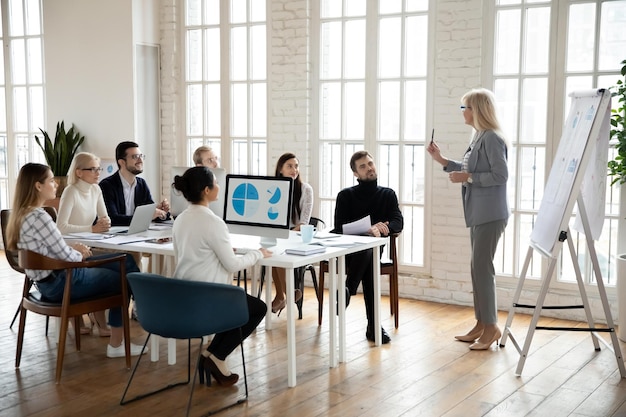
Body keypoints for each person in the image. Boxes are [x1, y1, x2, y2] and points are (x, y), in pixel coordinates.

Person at [6, 163, 145, 358]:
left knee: (126, 260)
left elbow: (52, 249)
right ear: (38, 186)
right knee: (124, 277)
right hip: (61, 283)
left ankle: (141, 306)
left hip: (45, 283)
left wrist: (72, 249)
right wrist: (79, 251)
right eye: (51, 180)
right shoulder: (40, 217)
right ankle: (118, 343)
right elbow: (67, 257)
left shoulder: (23, 214)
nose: (55, 184)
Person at [171, 166, 271, 387]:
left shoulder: (180, 219)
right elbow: (233, 265)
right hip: (209, 299)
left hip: (184, 296)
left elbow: (187, 255)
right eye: (215, 183)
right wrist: (258, 253)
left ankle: (213, 357)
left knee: (237, 301)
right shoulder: (213, 222)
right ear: (207, 190)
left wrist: (221, 251)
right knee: (258, 308)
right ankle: (216, 356)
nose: (219, 186)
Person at [427, 88, 509, 350]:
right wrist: (440, 159)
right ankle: (481, 323)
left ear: (478, 110)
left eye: (466, 107)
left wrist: (468, 178)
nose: (463, 112)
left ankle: (492, 327)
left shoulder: (493, 138)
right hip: (478, 213)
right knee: (477, 269)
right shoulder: (479, 136)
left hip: (491, 214)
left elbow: (500, 175)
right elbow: (467, 169)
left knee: (482, 269)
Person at [332, 150, 404, 344]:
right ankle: (373, 327)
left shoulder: (387, 194)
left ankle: (348, 289)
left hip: (371, 251)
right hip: (347, 252)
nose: (369, 168)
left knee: (369, 252)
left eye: (370, 163)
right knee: (368, 254)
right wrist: (365, 229)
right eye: (363, 166)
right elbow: (339, 227)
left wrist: (384, 227)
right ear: (356, 173)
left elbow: (398, 222)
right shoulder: (345, 195)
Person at [57, 152, 112, 337]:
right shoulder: (70, 191)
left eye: (98, 169)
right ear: (79, 172)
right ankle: (96, 320)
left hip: (89, 244)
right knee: (107, 267)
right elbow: (61, 228)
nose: (98, 173)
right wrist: (92, 228)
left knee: (115, 262)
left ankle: (99, 319)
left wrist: (105, 224)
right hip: (70, 248)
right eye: (93, 169)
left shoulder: (96, 189)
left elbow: (104, 218)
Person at [270, 153, 313, 314]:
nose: (294, 170)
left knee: (276, 250)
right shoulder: (273, 188)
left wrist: (285, 235)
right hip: (279, 237)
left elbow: (304, 223)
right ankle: (286, 294)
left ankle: (282, 295)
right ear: (280, 169)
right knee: (273, 250)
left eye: (296, 166)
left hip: (297, 238)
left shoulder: (305, 189)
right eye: (289, 166)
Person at [99, 141, 170, 226]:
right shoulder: (107, 185)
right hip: (115, 237)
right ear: (122, 162)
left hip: (137, 235)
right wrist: (147, 216)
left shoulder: (141, 184)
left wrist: (161, 212)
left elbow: (153, 214)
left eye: (141, 156)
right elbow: (112, 219)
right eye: (135, 157)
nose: (140, 160)